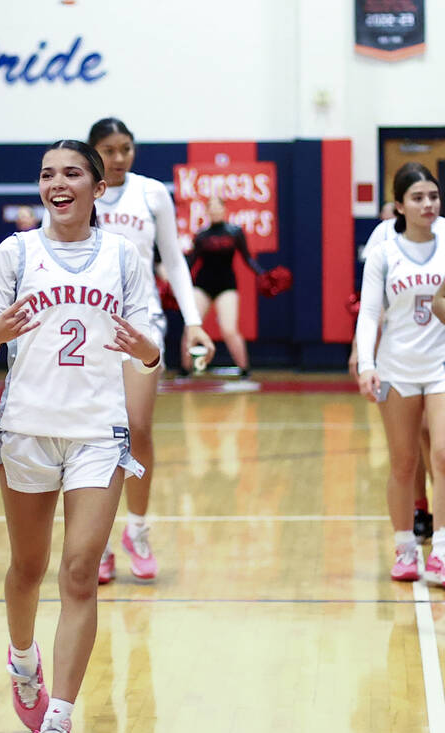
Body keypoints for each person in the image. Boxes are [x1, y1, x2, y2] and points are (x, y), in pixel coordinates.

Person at [0, 139, 159, 733]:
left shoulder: (123, 256)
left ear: (96, 188)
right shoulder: (15, 253)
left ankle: (59, 723)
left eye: (72, 173)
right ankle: (24, 661)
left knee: (79, 571)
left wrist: (151, 350)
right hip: (25, 430)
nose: (58, 182)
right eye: (48, 173)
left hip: (97, 433)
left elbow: (147, 346)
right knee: (28, 567)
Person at [88, 117, 215, 583]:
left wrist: (194, 323)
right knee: (97, 436)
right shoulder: (79, 189)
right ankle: (97, 541)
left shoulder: (152, 193)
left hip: (142, 323)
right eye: (109, 149)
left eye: (125, 148)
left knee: (137, 428)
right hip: (90, 327)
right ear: (92, 151)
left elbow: (174, 261)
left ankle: (136, 530)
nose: (118, 157)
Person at [356, 163, 445, 590]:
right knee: (404, 463)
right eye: (418, 197)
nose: (428, 204)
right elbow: (370, 313)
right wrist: (366, 364)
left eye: (434, 196)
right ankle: (405, 547)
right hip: (397, 366)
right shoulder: (385, 250)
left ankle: (443, 551)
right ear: (399, 205)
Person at [182, 197, 265, 377]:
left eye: (217, 207)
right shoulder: (201, 235)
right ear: (207, 211)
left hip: (226, 285)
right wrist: (175, 277)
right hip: (202, 285)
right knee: (191, 327)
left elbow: (247, 258)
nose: (214, 210)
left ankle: (244, 369)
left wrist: (262, 275)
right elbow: (191, 262)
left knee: (229, 329)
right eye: (210, 207)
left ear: (224, 209)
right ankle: (185, 369)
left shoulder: (235, 232)